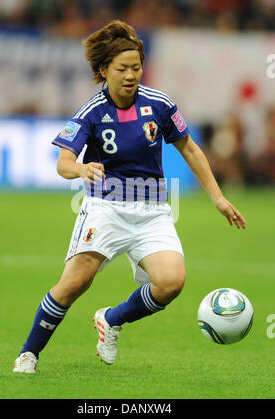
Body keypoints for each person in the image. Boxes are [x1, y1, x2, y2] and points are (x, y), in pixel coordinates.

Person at [13, 20, 246, 374]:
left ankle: (112, 318)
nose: (130, 75)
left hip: (152, 211)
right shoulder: (92, 112)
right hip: (105, 207)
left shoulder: (160, 105)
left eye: (136, 67)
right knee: (75, 283)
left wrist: (217, 197)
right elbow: (63, 162)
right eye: (122, 68)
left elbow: (192, 150)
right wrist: (82, 169)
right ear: (104, 70)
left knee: (171, 282)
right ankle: (29, 354)